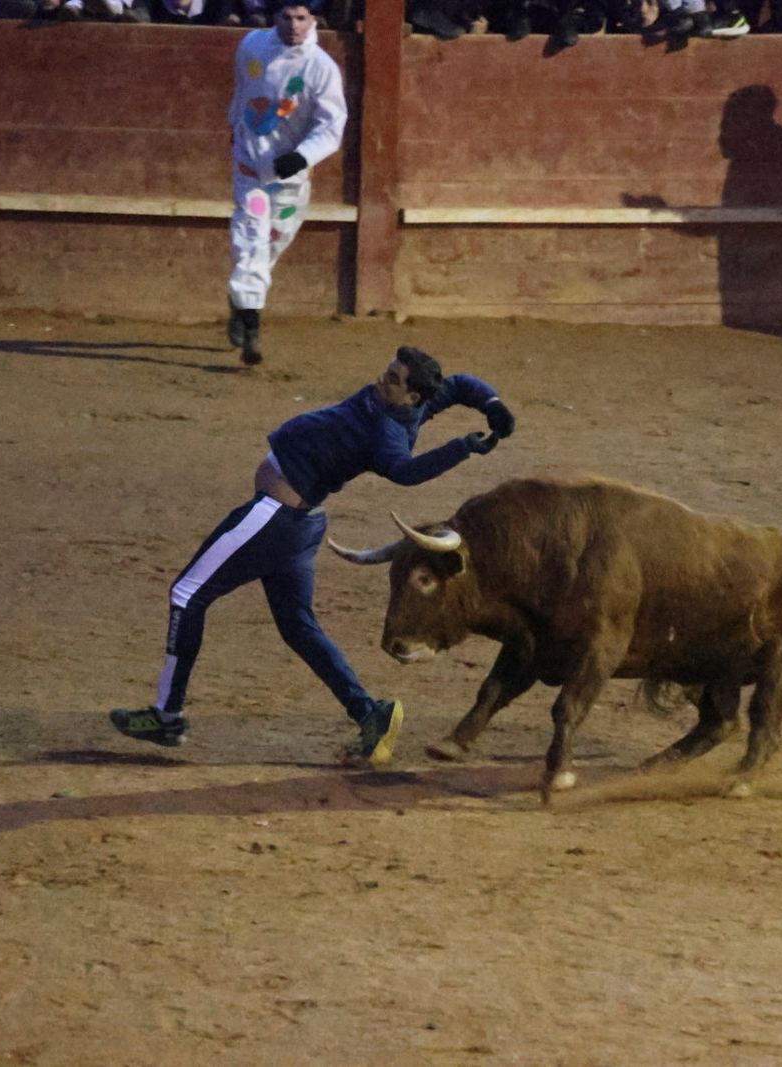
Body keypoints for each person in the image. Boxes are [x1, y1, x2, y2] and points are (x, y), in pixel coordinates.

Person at [110, 346, 517, 766]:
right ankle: (370, 714)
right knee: (298, 627)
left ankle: (167, 716)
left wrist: (460, 447)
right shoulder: (411, 400)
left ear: (412, 397)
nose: (382, 380)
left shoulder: (385, 432)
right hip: (300, 523)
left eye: (393, 380)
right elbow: (464, 383)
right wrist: (493, 404)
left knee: (186, 594)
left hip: (274, 517)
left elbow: (405, 472)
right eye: (388, 371)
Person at [226, 0, 347, 365]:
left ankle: (241, 300)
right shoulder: (251, 45)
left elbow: (331, 125)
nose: (294, 25)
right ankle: (251, 328)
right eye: (286, 16)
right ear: (273, 17)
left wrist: (303, 155)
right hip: (251, 171)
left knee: (275, 241)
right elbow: (242, 91)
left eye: (301, 18)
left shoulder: (321, 68)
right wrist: (234, 126)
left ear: (312, 19)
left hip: (291, 179)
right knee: (251, 241)